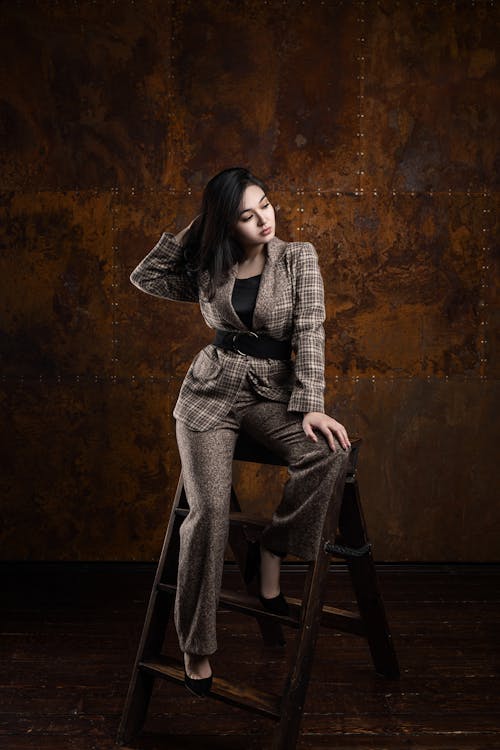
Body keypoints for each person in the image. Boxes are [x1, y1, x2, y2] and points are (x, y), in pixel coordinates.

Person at [130, 167, 351, 698]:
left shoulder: (299, 258)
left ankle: (271, 550)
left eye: (266, 205)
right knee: (205, 517)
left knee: (328, 456)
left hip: (272, 397)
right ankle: (196, 645)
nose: (263, 219)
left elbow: (311, 332)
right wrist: (202, 226)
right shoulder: (210, 264)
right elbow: (148, 274)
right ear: (226, 224)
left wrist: (312, 406)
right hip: (209, 395)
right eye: (247, 215)